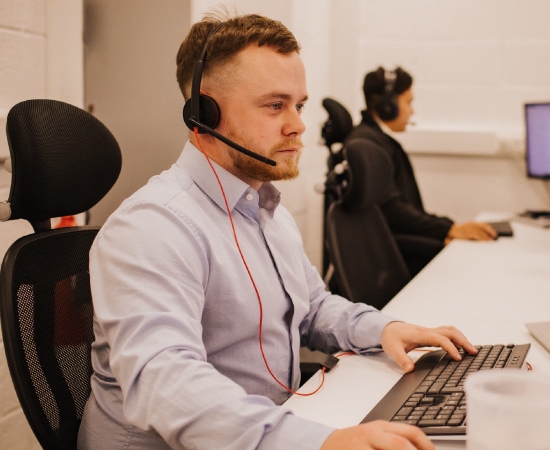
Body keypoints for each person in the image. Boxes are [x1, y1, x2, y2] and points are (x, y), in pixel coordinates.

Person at [78, 13, 477, 450]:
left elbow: (310, 308)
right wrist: (322, 444)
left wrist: (383, 330)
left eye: (299, 105)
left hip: (278, 424)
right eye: (275, 105)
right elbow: (169, 385)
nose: (298, 125)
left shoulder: (264, 207)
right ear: (204, 112)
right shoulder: (152, 228)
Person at [345, 67, 497, 276]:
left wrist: (444, 230)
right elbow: (392, 212)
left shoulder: (375, 142)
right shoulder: (369, 146)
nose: (412, 111)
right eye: (408, 102)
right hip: (389, 260)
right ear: (387, 105)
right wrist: (446, 229)